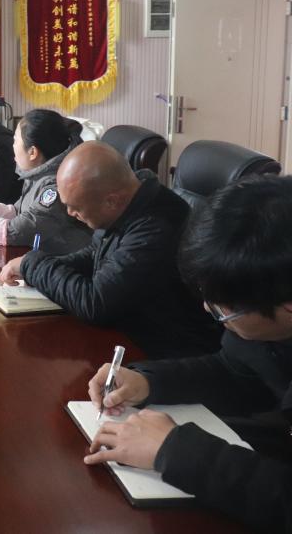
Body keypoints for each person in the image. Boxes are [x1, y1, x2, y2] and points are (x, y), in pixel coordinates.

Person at [84, 176, 292, 532]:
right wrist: (148, 382)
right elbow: (237, 371)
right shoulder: (267, 302)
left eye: (222, 309)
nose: (210, 312)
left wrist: (176, 451)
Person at [0, 141, 220, 358]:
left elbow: (95, 304)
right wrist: (40, 266)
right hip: (128, 332)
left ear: (111, 201)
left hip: (165, 352)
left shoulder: (156, 227)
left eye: (75, 208)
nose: (70, 213)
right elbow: (94, 255)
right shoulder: (131, 200)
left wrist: (34, 265)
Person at [0, 109, 91, 254]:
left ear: (33, 152)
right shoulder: (37, 173)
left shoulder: (55, 186)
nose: (12, 145)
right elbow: (17, 212)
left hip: (62, 261)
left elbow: (15, 232)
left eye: (15, 140)